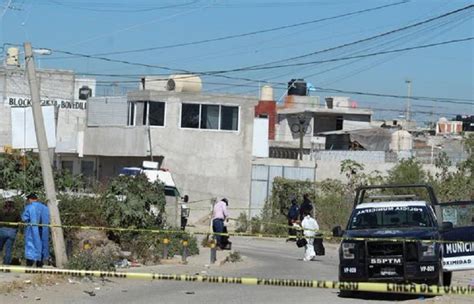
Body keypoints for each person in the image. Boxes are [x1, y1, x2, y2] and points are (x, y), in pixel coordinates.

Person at [22, 193, 50, 267]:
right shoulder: (45, 207)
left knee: (31, 246)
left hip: (32, 230)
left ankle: (29, 265)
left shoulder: (29, 207)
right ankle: (39, 264)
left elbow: (24, 218)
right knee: (42, 245)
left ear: (30, 199)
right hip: (43, 230)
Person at [0, 200, 21, 265]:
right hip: (12, 231)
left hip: (2, 231)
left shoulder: (1, 211)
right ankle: (6, 265)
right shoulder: (16, 212)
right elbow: (19, 222)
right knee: (8, 250)